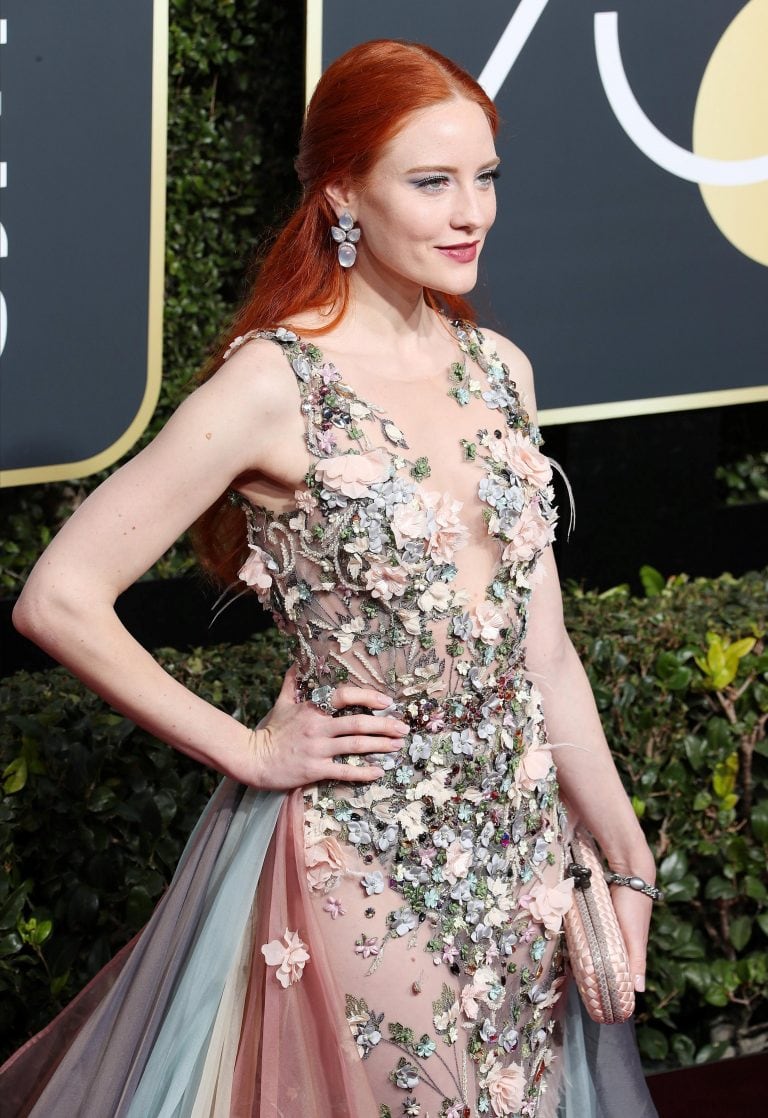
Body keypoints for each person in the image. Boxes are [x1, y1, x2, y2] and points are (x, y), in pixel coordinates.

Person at [2, 39, 659, 1118]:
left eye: (485, 177)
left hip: (522, 851)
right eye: (432, 181)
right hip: (364, 860)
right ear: (344, 193)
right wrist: (252, 748)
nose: (471, 213)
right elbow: (58, 595)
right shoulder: (274, 384)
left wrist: (624, 859)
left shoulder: (502, 371)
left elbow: (543, 650)